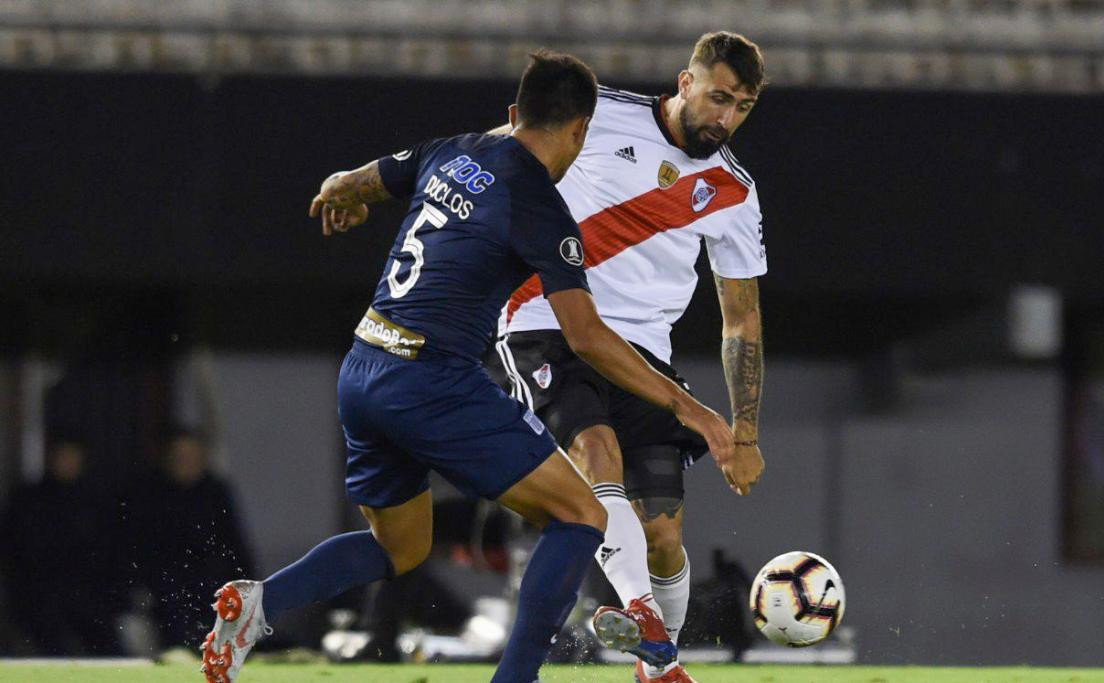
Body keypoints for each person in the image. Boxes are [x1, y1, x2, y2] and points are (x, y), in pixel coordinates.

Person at [198, 50, 733, 683]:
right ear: (581, 131)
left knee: (401, 547)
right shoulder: (540, 207)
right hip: (432, 381)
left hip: (364, 369)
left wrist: (342, 189)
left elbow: (362, 180)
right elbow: (586, 338)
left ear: (513, 114)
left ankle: (258, 605)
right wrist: (689, 406)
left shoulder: (453, 150)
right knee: (583, 515)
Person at [485, 31, 768, 682]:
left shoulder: (733, 192)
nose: (726, 118)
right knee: (597, 454)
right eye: (719, 97)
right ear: (685, 82)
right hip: (547, 319)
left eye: (743, 107)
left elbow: (741, 317)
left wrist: (745, 428)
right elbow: (494, 151)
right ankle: (639, 611)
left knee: (665, 533)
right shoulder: (599, 112)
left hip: (644, 354)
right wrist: (381, 181)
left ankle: (654, 663)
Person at [135, 428, 256, 650]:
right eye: (180, 457)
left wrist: (249, 589)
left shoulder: (216, 494)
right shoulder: (150, 495)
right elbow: (142, 549)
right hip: (165, 587)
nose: (186, 463)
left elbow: (235, 546)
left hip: (212, 584)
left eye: (192, 457)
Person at [0, 438, 120, 655]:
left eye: (73, 457)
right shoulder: (28, 501)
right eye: (63, 457)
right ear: (50, 459)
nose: (68, 463)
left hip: (89, 596)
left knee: (110, 645)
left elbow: (107, 554)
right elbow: (18, 554)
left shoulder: (94, 502)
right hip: (40, 596)